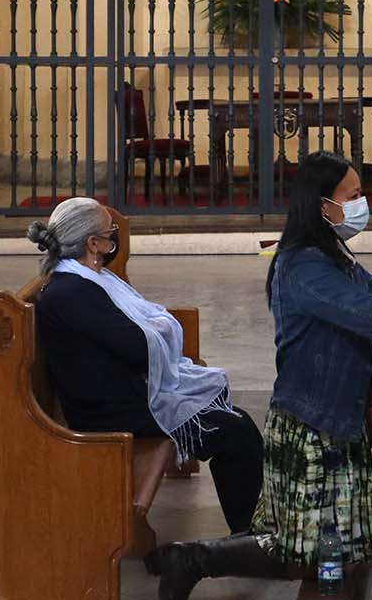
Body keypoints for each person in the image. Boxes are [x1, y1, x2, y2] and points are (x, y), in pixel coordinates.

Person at [146, 151, 372, 599]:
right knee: (298, 550)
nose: (362, 203)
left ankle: (201, 559)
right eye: (352, 195)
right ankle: (194, 559)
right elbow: (370, 314)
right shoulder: (304, 266)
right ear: (322, 205)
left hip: (337, 420)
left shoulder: (330, 251)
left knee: (328, 548)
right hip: (313, 423)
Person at [28, 198, 264, 533]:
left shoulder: (86, 279)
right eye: (110, 233)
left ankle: (249, 531)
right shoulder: (71, 293)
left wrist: (155, 328)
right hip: (107, 409)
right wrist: (159, 328)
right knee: (236, 433)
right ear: (92, 243)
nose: (114, 239)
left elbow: (137, 334)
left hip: (123, 390)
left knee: (237, 426)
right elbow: (138, 346)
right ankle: (247, 536)